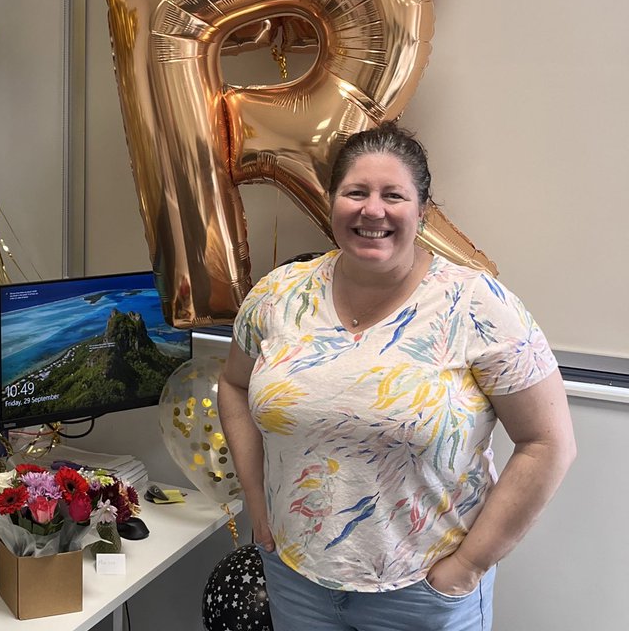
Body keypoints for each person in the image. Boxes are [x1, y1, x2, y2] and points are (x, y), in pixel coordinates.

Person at [218, 123, 575, 630]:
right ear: (331, 200)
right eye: (356, 192)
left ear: (422, 210)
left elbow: (548, 443)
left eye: (393, 195)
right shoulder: (278, 295)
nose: (372, 210)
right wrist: (255, 498)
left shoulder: (476, 304)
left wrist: (466, 568)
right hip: (296, 577)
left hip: (422, 591)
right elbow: (233, 384)